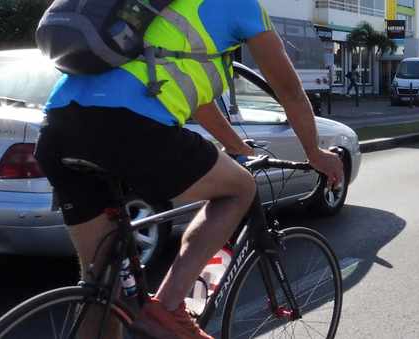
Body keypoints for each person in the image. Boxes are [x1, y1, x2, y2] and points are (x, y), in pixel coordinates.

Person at [33, 1, 344, 338]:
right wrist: (315, 153)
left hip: (58, 128)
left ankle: (125, 303)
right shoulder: (240, 6)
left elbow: (200, 100)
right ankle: (167, 308)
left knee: (104, 288)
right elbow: (289, 90)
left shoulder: (152, 9)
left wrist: (237, 145)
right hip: (127, 127)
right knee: (240, 188)